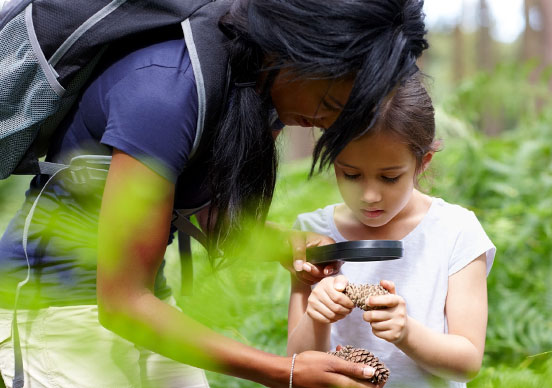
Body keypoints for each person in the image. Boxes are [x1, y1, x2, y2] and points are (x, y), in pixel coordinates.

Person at [0, 0, 429, 387]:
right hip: (52, 314)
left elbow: (198, 210)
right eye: (330, 103)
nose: (326, 124)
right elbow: (122, 303)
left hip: (148, 302)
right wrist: (287, 372)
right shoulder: (166, 91)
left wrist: (283, 244)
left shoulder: (256, 89)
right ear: (299, 52)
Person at [287, 75, 496, 388]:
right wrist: (317, 316)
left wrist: (406, 333)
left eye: (389, 178)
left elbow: (467, 362)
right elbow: (295, 366)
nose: (370, 195)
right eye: (351, 175)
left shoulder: (456, 231)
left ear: (422, 163)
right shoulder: (313, 232)